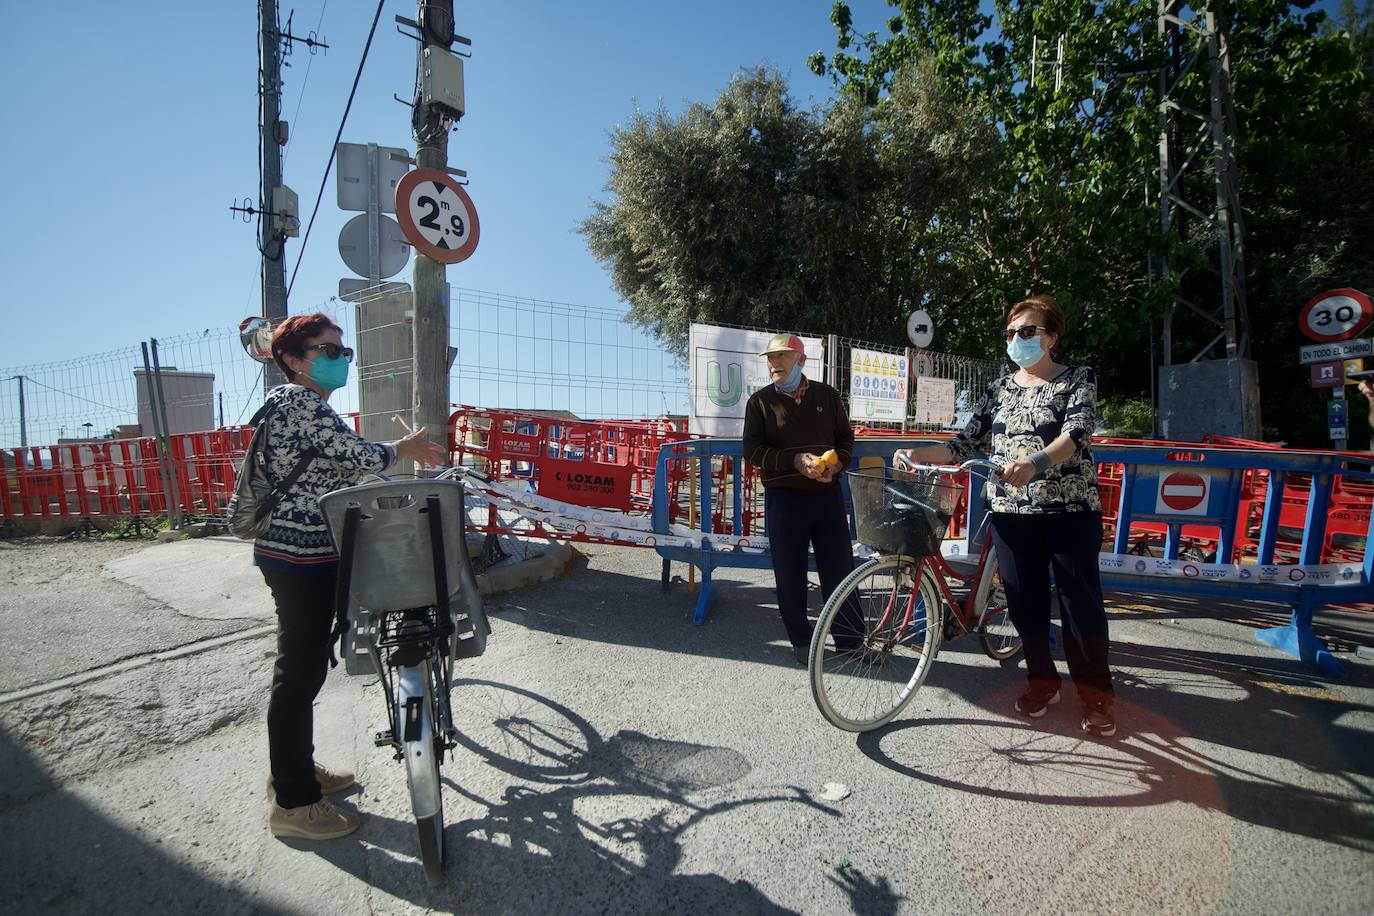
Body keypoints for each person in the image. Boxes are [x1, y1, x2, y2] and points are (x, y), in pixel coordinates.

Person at [257, 313, 446, 839]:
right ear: (294, 359)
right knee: (298, 669)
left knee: (308, 663)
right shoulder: (297, 401)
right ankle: (293, 804)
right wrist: (400, 452)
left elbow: (351, 468)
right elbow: (353, 455)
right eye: (328, 350)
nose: (340, 359)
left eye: (344, 352)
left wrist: (389, 471)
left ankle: (292, 771)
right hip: (298, 554)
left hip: (307, 551)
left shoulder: (309, 405)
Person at [895, 294, 1116, 737]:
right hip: (1011, 514)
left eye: (1028, 331)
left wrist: (1035, 463)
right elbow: (964, 443)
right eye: (1011, 333)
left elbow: (1076, 434)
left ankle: (1096, 696)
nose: (1017, 339)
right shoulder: (1000, 389)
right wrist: (917, 451)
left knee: (1080, 605)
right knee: (1024, 603)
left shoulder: (1077, 379)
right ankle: (1042, 681)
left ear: (1051, 336)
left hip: (1068, 511)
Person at [742, 332, 858, 666]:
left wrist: (837, 464)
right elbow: (752, 451)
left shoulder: (827, 396)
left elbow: (845, 440)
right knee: (789, 573)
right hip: (783, 500)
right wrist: (793, 461)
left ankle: (850, 641)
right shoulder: (760, 403)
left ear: (801, 360)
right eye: (770, 358)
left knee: (839, 569)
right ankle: (801, 641)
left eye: (782, 356)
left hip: (826, 497)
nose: (774, 363)